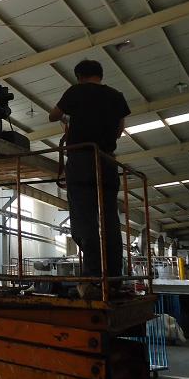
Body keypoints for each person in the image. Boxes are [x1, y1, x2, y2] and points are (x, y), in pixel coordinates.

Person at [48, 59, 130, 299]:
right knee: (110, 221)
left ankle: (93, 278)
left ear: (79, 76)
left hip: (82, 160)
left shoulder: (76, 91)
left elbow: (53, 115)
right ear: (100, 74)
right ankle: (113, 279)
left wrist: (70, 120)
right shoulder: (116, 96)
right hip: (107, 161)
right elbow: (120, 129)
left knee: (85, 220)